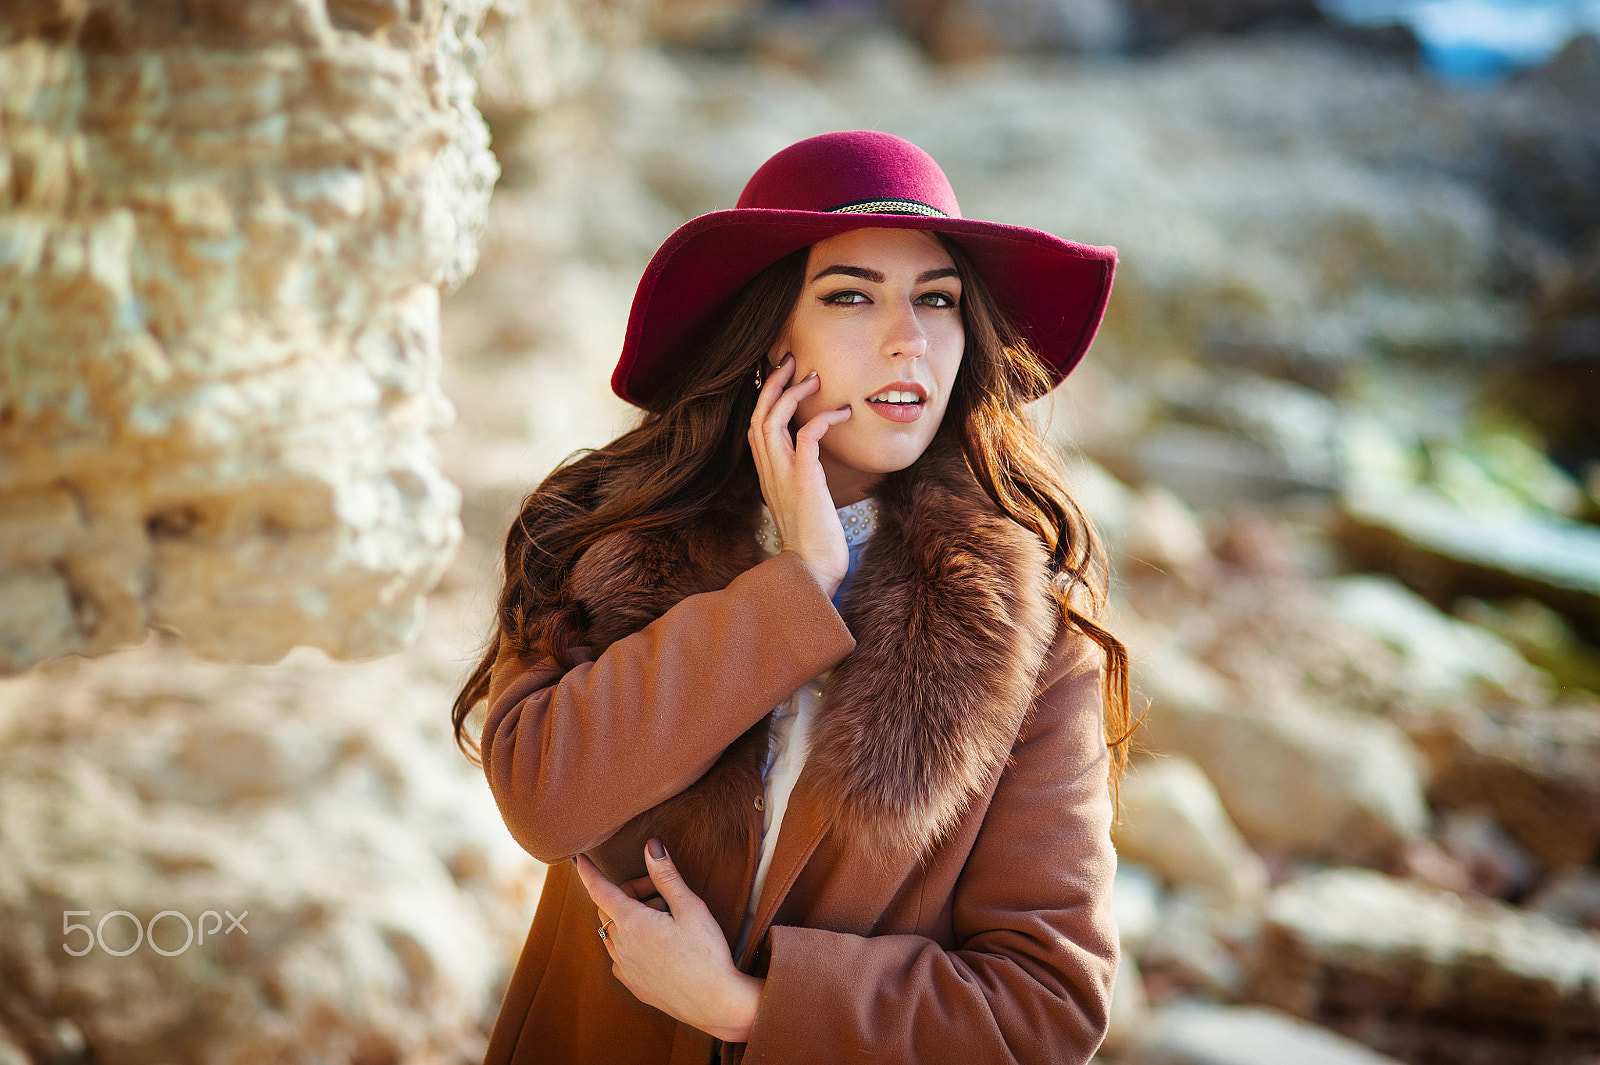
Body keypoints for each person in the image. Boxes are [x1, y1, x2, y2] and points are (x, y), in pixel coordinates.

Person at [452, 129, 1134, 1065]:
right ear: (771, 331)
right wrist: (797, 583)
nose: (909, 338)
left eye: (937, 299)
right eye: (851, 295)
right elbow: (544, 801)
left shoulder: (1035, 647)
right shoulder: (607, 536)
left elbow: (1050, 1003)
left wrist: (751, 1007)